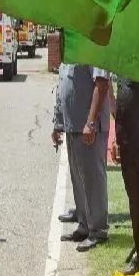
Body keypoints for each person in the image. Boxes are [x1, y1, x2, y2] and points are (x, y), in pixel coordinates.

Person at [51, 61, 112, 252]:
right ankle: (84, 225)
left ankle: (98, 231)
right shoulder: (70, 49)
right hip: (73, 125)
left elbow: (101, 84)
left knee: (93, 179)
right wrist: (58, 123)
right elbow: (63, 85)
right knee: (79, 179)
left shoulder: (93, 48)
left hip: (88, 126)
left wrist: (91, 122)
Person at [112, 76, 139, 274]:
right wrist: (117, 139)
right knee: (134, 200)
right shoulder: (123, 68)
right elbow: (122, 106)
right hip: (127, 141)